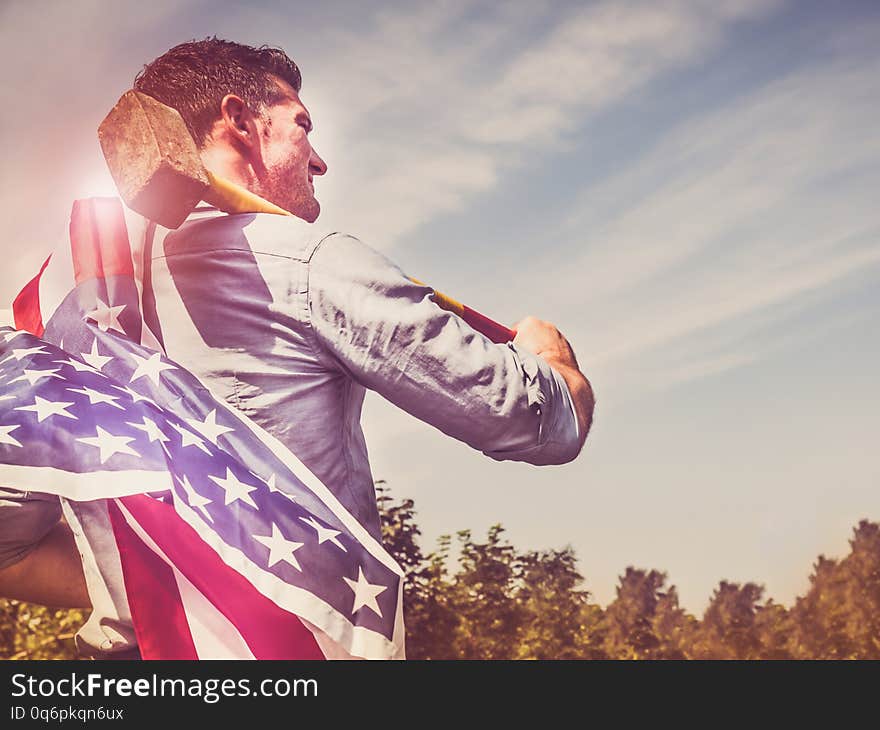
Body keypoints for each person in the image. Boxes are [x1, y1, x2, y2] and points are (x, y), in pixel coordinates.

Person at [0, 38, 594, 657]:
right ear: (239, 122)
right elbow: (542, 424)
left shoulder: (68, 307)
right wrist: (551, 359)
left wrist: (162, 582)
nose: (319, 162)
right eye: (301, 127)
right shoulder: (313, 264)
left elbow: (7, 551)